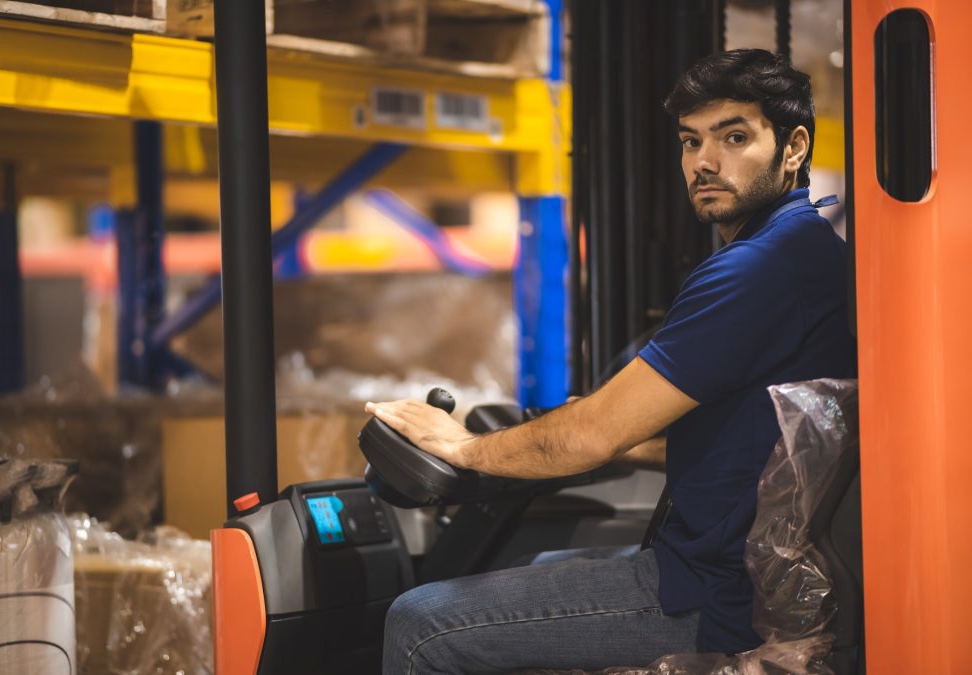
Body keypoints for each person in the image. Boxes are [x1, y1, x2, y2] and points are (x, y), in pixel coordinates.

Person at [367, 48, 857, 673]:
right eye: (690, 142)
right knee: (536, 566)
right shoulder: (807, 251)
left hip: (716, 592)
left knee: (420, 622)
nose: (704, 162)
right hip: (742, 573)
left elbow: (591, 435)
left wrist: (463, 449)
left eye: (734, 137)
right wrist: (620, 442)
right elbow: (754, 432)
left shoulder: (757, 270)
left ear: (793, 149)